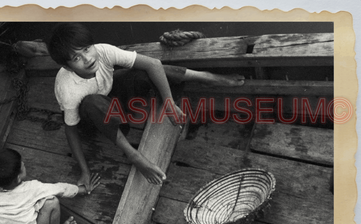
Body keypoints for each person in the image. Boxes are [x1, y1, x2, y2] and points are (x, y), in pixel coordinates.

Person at [46, 23, 245, 189]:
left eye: (87, 49)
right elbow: (71, 130)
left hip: (110, 95)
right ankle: (135, 156)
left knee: (145, 71)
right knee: (92, 102)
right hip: (94, 116)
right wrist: (84, 171)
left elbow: (154, 64)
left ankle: (208, 77)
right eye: (76, 58)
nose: (88, 59)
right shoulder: (68, 89)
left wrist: (168, 103)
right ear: (66, 66)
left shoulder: (103, 52)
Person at [0, 148, 100, 224]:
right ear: (18, 178)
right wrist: (83, 190)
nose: (23, 162)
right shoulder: (32, 188)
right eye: (21, 165)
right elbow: (61, 189)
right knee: (51, 202)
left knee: (26, 204)